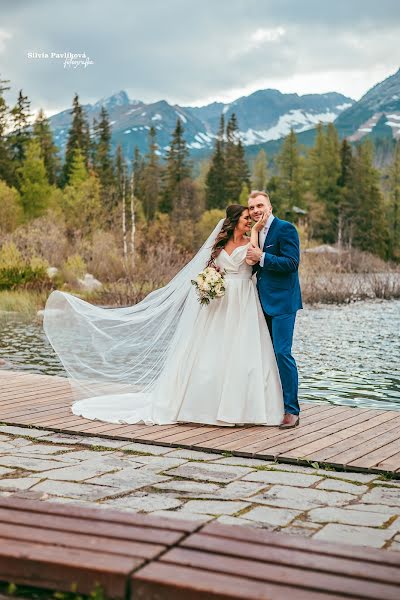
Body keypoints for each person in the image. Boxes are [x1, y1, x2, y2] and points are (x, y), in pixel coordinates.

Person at [43, 204, 284, 426]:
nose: (248, 221)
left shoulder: (251, 241)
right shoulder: (218, 246)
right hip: (220, 304)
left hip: (244, 302)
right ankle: (201, 406)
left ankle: (244, 408)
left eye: (249, 219)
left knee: (243, 351)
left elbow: (255, 255)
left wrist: (258, 229)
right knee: (211, 351)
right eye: (244, 218)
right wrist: (209, 281)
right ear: (233, 221)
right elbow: (210, 268)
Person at [246, 191, 302, 429]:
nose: (256, 210)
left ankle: (292, 410)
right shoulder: (256, 231)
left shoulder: (286, 228)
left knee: (282, 353)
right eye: (251, 208)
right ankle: (271, 405)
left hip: (283, 303)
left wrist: (263, 257)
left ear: (269, 205)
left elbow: (292, 263)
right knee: (264, 355)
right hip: (261, 301)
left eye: (259, 205)